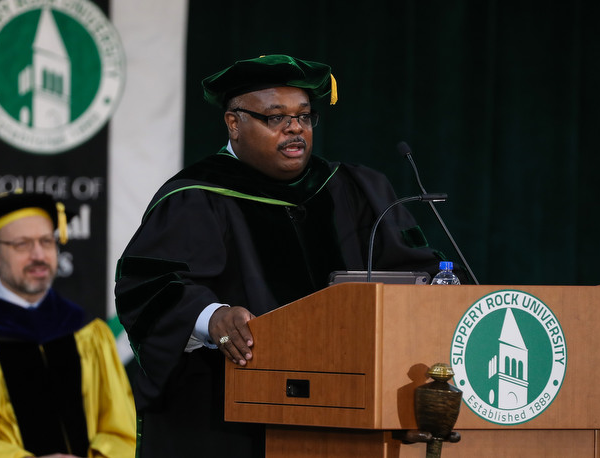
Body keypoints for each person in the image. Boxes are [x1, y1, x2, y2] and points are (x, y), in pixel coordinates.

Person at [114, 54, 449, 457]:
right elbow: (146, 286)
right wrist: (211, 317)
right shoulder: (194, 196)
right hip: (227, 419)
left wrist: (442, 288)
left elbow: (414, 268)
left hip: (345, 410)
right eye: (276, 117)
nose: (295, 128)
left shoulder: (355, 189)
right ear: (233, 123)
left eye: (304, 117)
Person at [0, 192, 136, 458]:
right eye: (22, 244)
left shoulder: (87, 331)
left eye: (47, 241)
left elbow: (121, 428)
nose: (39, 255)